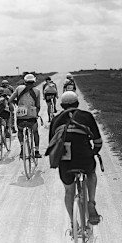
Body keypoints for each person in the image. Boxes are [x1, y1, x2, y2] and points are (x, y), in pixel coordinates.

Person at [48, 91, 103, 229]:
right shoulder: (87, 116)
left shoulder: (56, 119)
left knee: (68, 191)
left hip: (66, 162)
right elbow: (98, 141)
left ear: (61, 105)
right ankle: (91, 202)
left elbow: (52, 144)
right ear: (77, 104)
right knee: (91, 173)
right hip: (84, 158)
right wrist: (93, 152)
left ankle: (74, 224)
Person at [9, 74, 42, 159]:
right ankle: (37, 151)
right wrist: (36, 114)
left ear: (25, 81)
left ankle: (22, 149)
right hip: (32, 115)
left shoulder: (19, 88)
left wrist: (18, 103)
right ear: (34, 81)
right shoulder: (37, 91)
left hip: (21, 115)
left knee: (20, 131)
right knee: (35, 132)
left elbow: (10, 100)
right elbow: (38, 105)